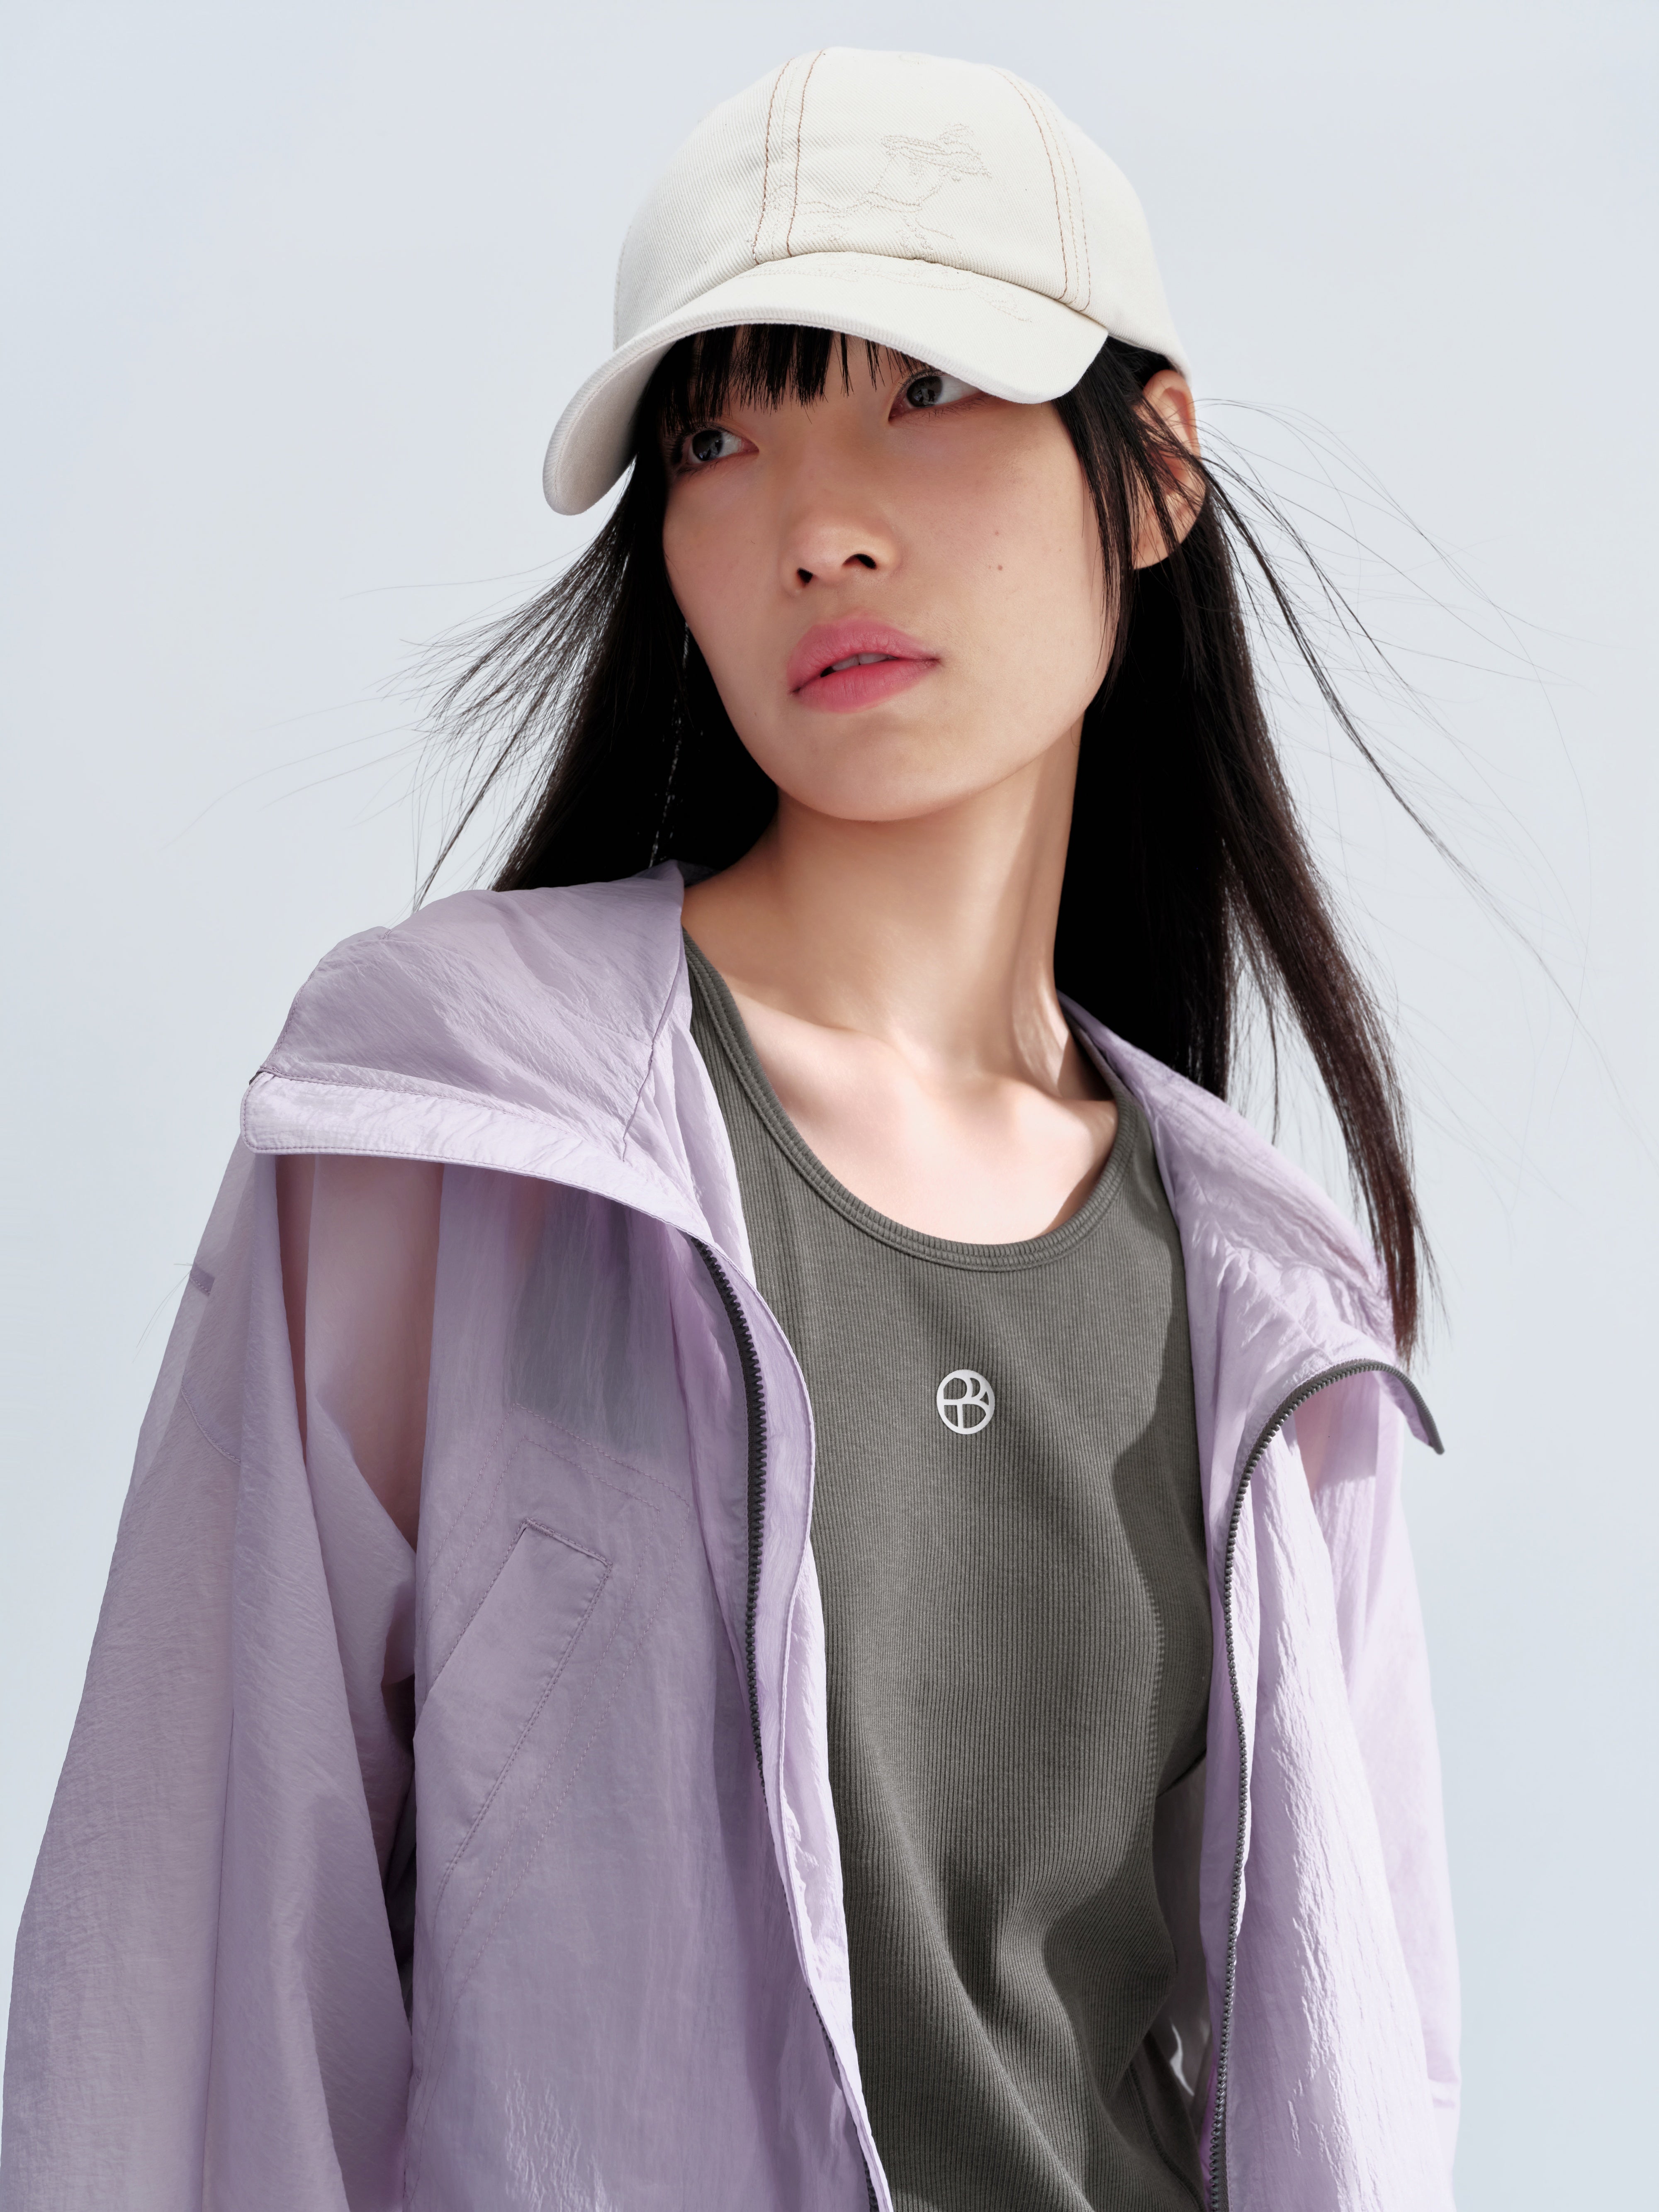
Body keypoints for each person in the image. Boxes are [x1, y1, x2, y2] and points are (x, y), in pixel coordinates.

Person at [0, 47, 1459, 2212]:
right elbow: (188, 1988)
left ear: (1152, 473)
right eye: (718, 435)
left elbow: (1361, 2089)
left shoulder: (1269, 1299)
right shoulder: (449, 1130)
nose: (816, 522)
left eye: (925, 393)